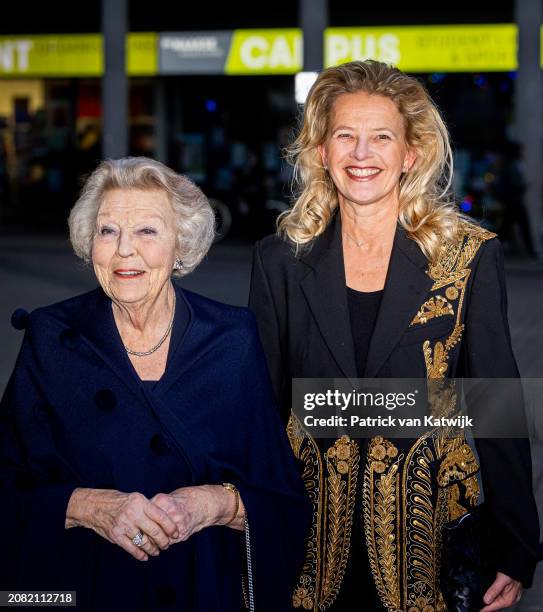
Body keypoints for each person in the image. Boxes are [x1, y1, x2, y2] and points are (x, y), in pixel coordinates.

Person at [249, 60, 541, 611]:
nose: (362, 154)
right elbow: (260, 405)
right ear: (320, 152)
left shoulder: (469, 257)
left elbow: (496, 404)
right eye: (345, 137)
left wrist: (518, 543)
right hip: (307, 541)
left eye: (381, 137)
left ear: (409, 154)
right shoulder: (279, 261)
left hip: (428, 541)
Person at [0, 157, 310, 611]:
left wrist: (214, 505)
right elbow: (7, 484)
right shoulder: (50, 338)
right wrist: (89, 507)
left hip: (202, 591)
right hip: (85, 590)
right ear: (90, 245)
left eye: (147, 231)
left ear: (181, 246)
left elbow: (281, 496)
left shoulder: (233, 339)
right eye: (108, 231)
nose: (125, 250)